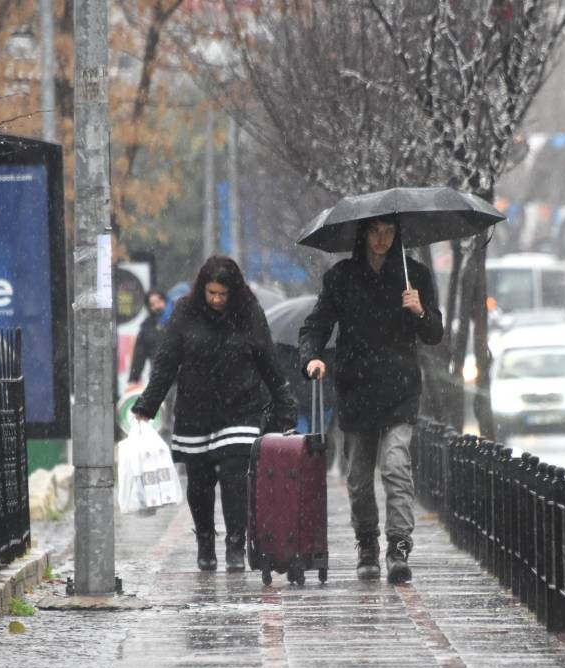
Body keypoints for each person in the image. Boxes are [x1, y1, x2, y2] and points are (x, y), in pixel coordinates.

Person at [299, 216, 443, 583]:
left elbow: (435, 334)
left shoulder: (415, 277)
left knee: (395, 466)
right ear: (363, 235)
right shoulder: (342, 278)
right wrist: (311, 356)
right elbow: (316, 325)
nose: (382, 239)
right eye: (375, 232)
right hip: (356, 391)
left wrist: (420, 310)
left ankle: (399, 545)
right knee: (359, 480)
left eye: (389, 232)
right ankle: (367, 543)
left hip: (400, 390)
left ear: (398, 236)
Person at [131, 256, 298, 572]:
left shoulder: (249, 313)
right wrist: (147, 406)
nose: (218, 300)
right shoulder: (185, 312)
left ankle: (235, 542)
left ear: (233, 291)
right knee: (200, 480)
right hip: (196, 409)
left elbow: (268, 361)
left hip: (240, 406)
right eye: (212, 293)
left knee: (236, 477)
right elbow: (167, 362)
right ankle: (205, 541)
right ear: (202, 290)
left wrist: (284, 401)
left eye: (223, 294)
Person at [127, 289, 168, 385]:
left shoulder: (178, 321)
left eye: (158, 302)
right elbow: (139, 356)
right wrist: (134, 379)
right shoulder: (147, 328)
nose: (157, 306)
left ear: (165, 301)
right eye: (152, 304)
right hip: (160, 378)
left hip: (181, 377)